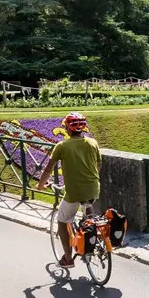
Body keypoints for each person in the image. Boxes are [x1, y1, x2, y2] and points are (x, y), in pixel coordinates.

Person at [38, 112, 102, 269]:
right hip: (93, 188)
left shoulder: (62, 146)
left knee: (62, 221)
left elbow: (48, 169)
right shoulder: (92, 143)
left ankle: (68, 259)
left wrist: (40, 185)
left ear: (67, 128)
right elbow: (98, 164)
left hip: (74, 191)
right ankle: (92, 237)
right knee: (89, 218)